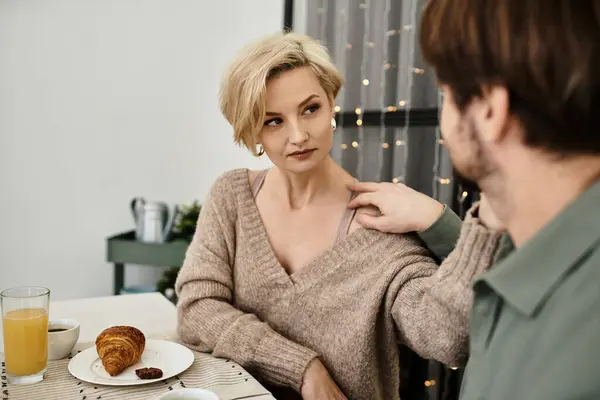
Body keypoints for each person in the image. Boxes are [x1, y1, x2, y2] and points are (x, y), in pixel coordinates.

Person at [174, 32, 502, 400]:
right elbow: (196, 310)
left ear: (331, 105)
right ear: (252, 132)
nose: (298, 135)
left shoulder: (380, 228)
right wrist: (301, 367)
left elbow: (447, 337)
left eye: (310, 109)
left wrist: (440, 218)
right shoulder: (231, 197)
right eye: (273, 121)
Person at [348, 1, 600, 398]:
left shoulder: (570, 350)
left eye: (446, 93)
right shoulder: (534, 241)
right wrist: (437, 219)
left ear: (489, 109)